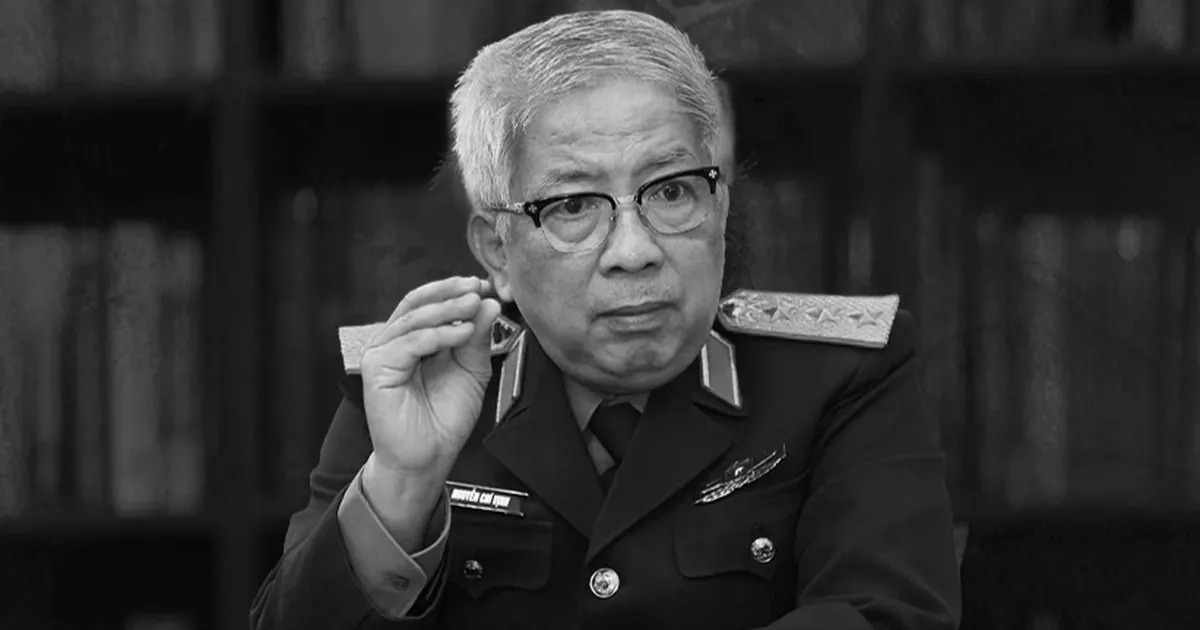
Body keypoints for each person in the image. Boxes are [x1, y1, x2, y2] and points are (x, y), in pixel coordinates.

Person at [250, 9, 961, 630]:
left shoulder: (841, 376)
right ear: (497, 251)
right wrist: (402, 486)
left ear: (719, 209)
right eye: (573, 206)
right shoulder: (414, 385)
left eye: (672, 192)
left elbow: (886, 616)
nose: (634, 251)